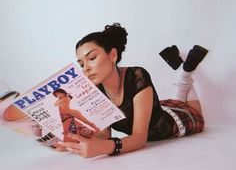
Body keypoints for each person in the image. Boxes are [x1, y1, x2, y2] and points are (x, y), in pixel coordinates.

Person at [58, 23, 208, 158]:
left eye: (92, 58)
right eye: (81, 64)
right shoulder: (95, 90)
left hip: (177, 121)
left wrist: (104, 148)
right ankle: (181, 70)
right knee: (176, 101)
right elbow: (104, 134)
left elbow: (139, 137)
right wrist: (70, 144)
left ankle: (184, 74)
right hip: (159, 108)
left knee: (197, 114)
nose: (86, 68)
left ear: (112, 55)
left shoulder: (137, 76)